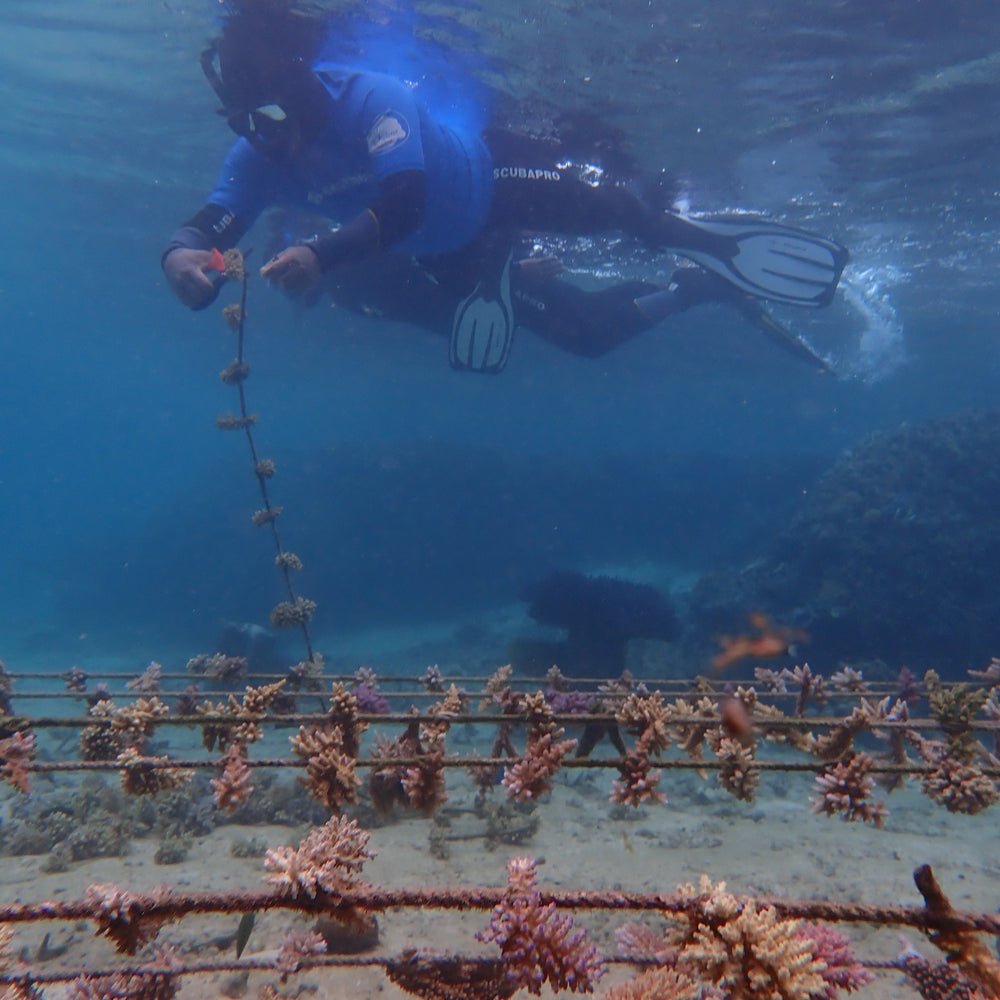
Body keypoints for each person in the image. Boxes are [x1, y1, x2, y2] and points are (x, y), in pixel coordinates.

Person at [163, 1, 848, 373]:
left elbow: (404, 202)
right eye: (243, 123)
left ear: (300, 85)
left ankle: (680, 235)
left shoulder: (368, 99)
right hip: (443, 250)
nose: (263, 137)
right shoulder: (258, 153)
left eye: (271, 117)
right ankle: (678, 287)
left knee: (615, 211)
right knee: (580, 339)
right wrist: (184, 260)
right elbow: (212, 224)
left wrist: (321, 256)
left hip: (493, 182)